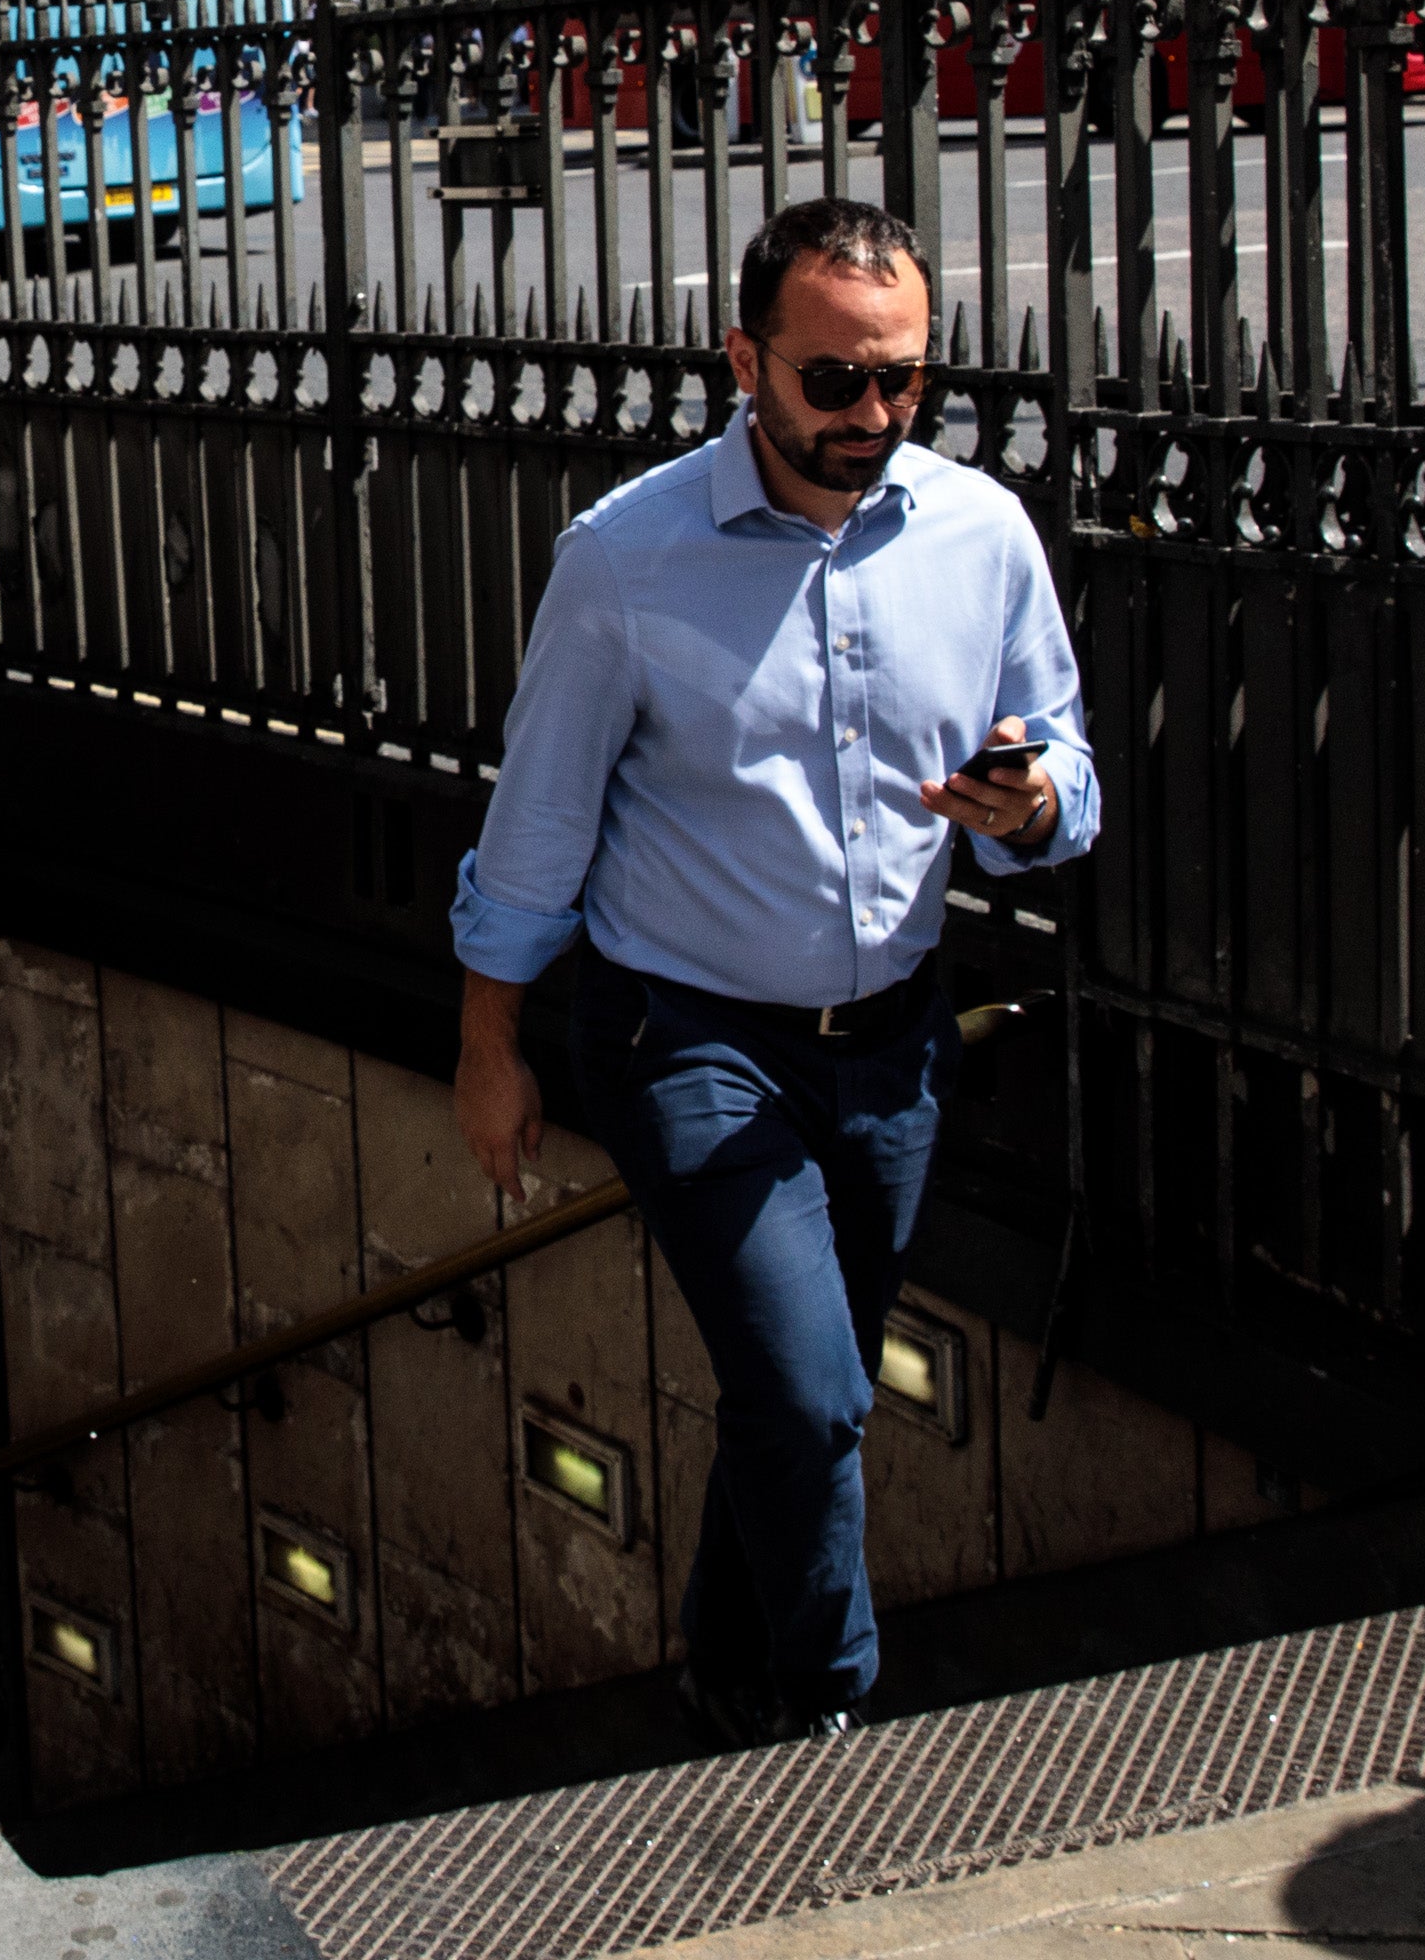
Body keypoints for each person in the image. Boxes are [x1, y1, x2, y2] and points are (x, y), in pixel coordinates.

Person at [446, 199, 1095, 1746]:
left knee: (814, 1397)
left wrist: (1034, 800)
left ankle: (724, 1665)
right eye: (832, 382)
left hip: (894, 1048)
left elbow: (1060, 760)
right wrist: (492, 1045)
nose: (871, 419)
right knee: (810, 1398)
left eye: (902, 382)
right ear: (743, 361)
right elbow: (536, 827)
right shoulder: (625, 562)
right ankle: (826, 1708)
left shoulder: (982, 535)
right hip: (691, 1040)